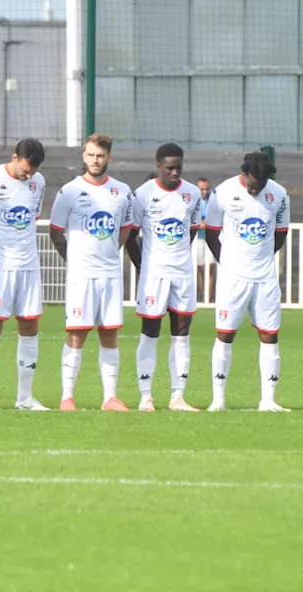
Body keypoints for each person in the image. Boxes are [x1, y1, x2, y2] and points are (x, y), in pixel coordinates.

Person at [48, 133, 136, 412]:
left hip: (109, 273)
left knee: (109, 334)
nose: (95, 160)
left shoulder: (122, 191)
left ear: (109, 157)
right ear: (83, 156)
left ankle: (110, 398)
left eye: (100, 156)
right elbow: (56, 231)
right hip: (81, 275)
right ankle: (67, 398)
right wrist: (72, 259)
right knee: (77, 334)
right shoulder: (69, 191)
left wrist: (111, 251)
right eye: (90, 155)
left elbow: (126, 228)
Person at [204, 152, 290, 412]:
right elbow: (211, 233)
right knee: (225, 334)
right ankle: (218, 399)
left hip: (265, 277)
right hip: (233, 277)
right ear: (245, 173)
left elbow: (280, 234)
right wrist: (228, 263)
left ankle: (268, 400)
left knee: (269, 335)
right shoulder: (224, 192)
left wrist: (261, 259)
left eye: (262, 183)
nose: (257, 187)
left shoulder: (280, 195)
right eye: (254, 182)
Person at [124, 143, 202, 413]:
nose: (175, 172)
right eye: (170, 168)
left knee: (182, 334)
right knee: (150, 333)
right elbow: (131, 237)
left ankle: (177, 396)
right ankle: (146, 396)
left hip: (182, 274)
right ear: (158, 166)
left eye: (179, 167)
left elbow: (191, 231)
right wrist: (143, 267)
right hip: (153, 276)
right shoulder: (142, 195)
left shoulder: (192, 194)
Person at [0, 138, 50, 411]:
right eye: (25, 169)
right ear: (15, 157)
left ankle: (25, 399)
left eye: (33, 171)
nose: (28, 176)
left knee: (29, 326)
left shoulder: (38, 182)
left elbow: (31, 219)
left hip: (28, 266)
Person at [194, 177, 215, 302]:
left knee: (210, 269)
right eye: (202, 189)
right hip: (198, 240)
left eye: (207, 189)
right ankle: (204, 296)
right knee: (201, 269)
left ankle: (209, 299)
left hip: (211, 238)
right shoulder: (194, 202)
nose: (205, 192)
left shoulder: (214, 201)